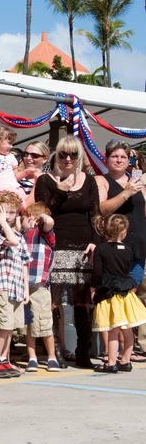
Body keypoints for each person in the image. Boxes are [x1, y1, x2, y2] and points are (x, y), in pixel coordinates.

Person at [34, 135, 99, 369]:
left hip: (83, 248)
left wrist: (95, 241)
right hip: (55, 245)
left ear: (79, 156)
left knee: (82, 303)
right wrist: (60, 191)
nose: (68, 159)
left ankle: (83, 353)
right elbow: (41, 212)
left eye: (73, 154)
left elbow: (95, 213)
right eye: (63, 154)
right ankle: (56, 352)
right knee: (54, 303)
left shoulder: (89, 181)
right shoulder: (45, 180)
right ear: (56, 156)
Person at [90, 213, 146, 373]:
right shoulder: (128, 250)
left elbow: (97, 272)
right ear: (123, 232)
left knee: (113, 329)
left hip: (110, 293)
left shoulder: (101, 249)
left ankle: (111, 362)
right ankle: (126, 360)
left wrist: (93, 290)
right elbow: (126, 270)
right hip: (126, 294)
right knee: (128, 328)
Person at [0, 192, 30, 378]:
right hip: (3, 284)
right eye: (4, 212)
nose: (8, 216)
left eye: (12, 213)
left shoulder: (18, 232)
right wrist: (2, 222)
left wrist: (26, 288)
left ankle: (4, 359)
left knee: (10, 326)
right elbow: (13, 242)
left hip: (17, 286)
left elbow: (25, 261)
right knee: (3, 325)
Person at [95, 140, 146, 285]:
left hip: (137, 248)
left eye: (123, 157)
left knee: (131, 293)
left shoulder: (137, 182)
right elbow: (101, 209)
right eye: (114, 156)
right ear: (107, 159)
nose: (119, 160)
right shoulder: (101, 180)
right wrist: (126, 193)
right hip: (112, 249)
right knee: (112, 291)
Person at [21, 201, 59, 372]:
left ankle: (52, 356)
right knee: (28, 325)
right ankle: (32, 357)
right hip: (23, 285)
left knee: (44, 323)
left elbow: (49, 222)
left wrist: (40, 219)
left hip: (40, 285)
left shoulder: (44, 233)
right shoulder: (21, 234)